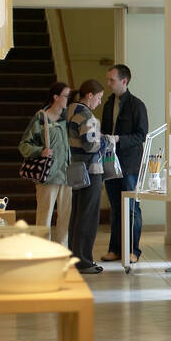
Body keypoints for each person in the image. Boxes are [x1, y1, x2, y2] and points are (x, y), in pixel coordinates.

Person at [100, 63, 148, 261]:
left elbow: (141, 135)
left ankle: (133, 250)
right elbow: (104, 130)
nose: (109, 83)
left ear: (124, 81)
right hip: (110, 162)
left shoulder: (137, 105)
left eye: (112, 80)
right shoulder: (109, 104)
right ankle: (115, 249)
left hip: (130, 164)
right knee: (115, 207)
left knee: (131, 208)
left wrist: (119, 139)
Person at [18, 82, 72, 247]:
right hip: (48, 175)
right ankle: (43, 249)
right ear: (56, 97)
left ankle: (63, 249)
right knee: (45, 214)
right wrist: (40, 151)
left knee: (66, 215)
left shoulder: (67, 119)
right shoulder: (41, 118)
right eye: (66, 95)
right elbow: (24, 145)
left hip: (67, 174)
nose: (68, 99)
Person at [66, 79, 105, 274]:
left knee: (78, 214)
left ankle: (75, 256)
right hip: (90, 170)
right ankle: (84, 260)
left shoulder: (70, 110)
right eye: (98, 98)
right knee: (88, 216)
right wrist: (104, 141)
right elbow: (91, 145)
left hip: (76, 168)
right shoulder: (84, 113)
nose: (99, 102)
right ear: (89, 95)